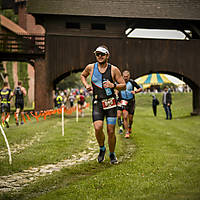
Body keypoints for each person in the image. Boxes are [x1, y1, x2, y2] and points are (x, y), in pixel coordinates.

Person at [80, 45, 126, 164]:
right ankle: (102, 148)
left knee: (111, 131)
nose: (99, 56)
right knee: (98, 127)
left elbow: (124, 85)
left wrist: (113, 85)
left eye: (102, 54)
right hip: (97, 103)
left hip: (110, 103)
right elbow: (82, 75)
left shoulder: (113, 69)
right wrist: (86, 85)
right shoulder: (91, 67)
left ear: (107, 55)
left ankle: (112, 154)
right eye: (97, 54)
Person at [118, 70, 142, 138]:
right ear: (122, 76)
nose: (125, 78)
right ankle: (127, 132)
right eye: (124, 76)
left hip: (131, 102)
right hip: (124, 101)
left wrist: (135, 91)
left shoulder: (132, 82)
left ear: (129, 76)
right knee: (125, 117)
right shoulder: (120, 82)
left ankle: (130, 126)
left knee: (130, 119)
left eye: (127, 76)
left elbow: (140, 88)